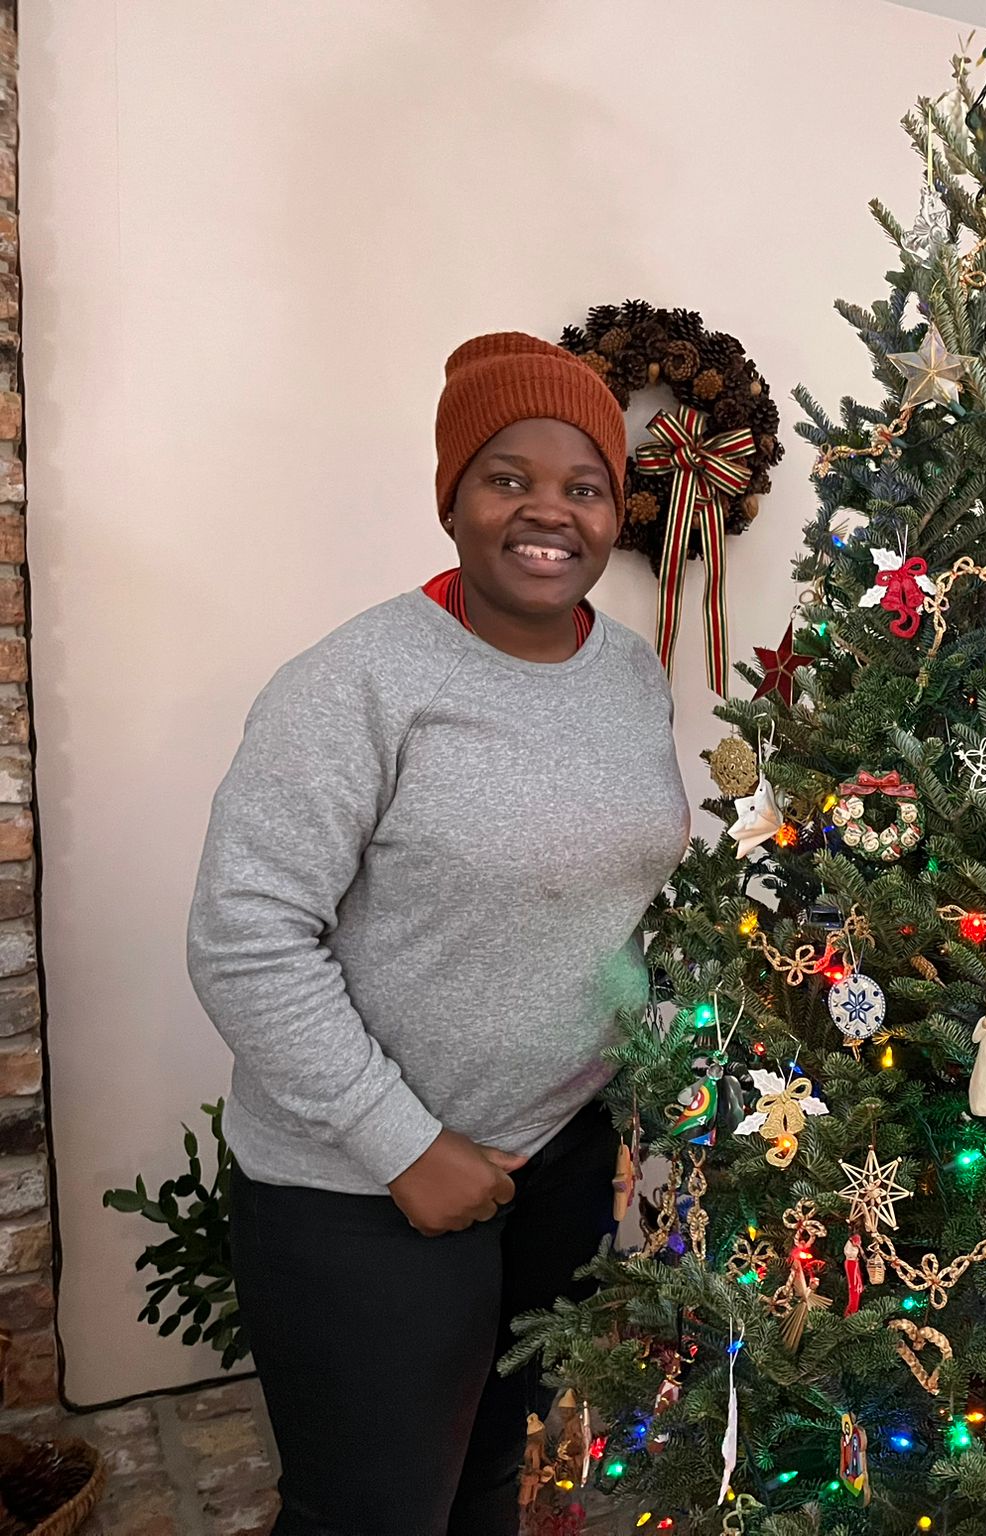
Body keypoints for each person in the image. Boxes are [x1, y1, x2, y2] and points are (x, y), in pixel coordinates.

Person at [188, 332, 691, 1535]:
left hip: (562, 1156)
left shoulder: (629, 673)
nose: (547, 513)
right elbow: (245, 935)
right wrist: (401, 1145)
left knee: (491, 1485)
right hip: (359, 1185)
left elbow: (612, 894)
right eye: (506, 477)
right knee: (374, 1509)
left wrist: (660, 1052)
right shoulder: (356, 681)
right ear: (453, 502)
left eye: (583, 486)